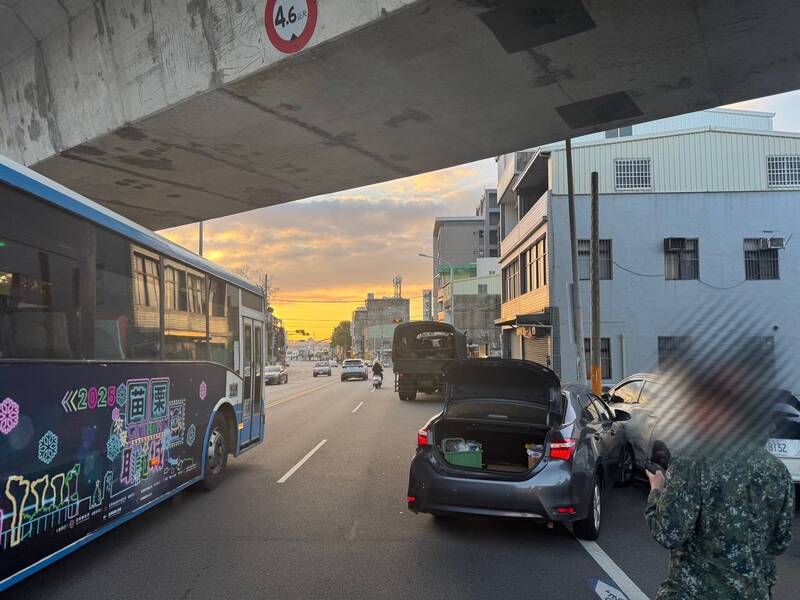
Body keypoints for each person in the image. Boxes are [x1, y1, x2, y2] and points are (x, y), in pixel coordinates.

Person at [644, 335, 795, 600]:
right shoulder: (778, 471)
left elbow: (669, 532)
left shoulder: (692, 460)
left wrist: (657, 491)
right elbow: (780, 542)